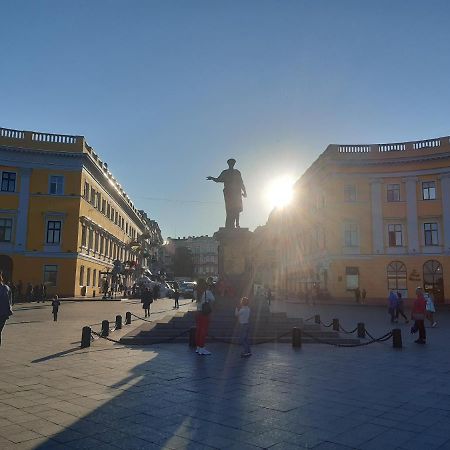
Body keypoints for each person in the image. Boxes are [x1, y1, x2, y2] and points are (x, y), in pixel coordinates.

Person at [207, 158, 247, 228]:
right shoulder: (225, 172)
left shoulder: (237, 172)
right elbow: (219, 179)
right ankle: (230, 224)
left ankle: (237, 224)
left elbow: (241, 182)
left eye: (233, 163)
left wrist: (245, 191)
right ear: (228, 164)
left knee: (237, 208)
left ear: (234, 164)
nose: (231, 164)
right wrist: (212, 178)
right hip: (229, 193)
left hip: (236, 192)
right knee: (230, 208)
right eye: (230, 163)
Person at [195, 278, 215, 355]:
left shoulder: (196, 292)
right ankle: (202, 348)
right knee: (203, 331)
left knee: (198, 331)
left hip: (198, 312)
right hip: (204, 313)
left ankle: (198, 348)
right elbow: (213, 300)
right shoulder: (208, 292)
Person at [0, 272, 13, 346]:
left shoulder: (5, 288)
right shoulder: (6, 288)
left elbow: (9, 301)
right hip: (3, 314)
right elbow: (10, 302)